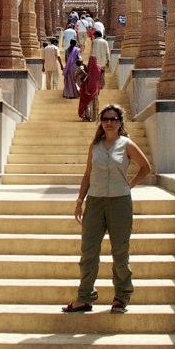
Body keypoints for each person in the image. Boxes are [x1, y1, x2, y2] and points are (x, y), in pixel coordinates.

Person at [62, 104, 152, 314]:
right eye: (105, 119)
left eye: (113, 119)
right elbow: (87, 174)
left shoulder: (126, 144)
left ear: (120, 122)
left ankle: (121, 297)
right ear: (101, 123)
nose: (109, 123)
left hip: (120, 202)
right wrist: (79, 200)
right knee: (88, 251)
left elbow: (145, 167)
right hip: (95, 202)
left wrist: (129, 185)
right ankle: (85, 297)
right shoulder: (95, 146)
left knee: (120, 252)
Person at [78, 55, 101, 121]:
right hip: (95, 88)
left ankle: (88, 116)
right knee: (94, 103)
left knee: (87, 103)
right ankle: (94, 117)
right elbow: (99, 78)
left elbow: (86, 78)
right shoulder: (99, 68)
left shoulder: (88, 68)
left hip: (88, 89)